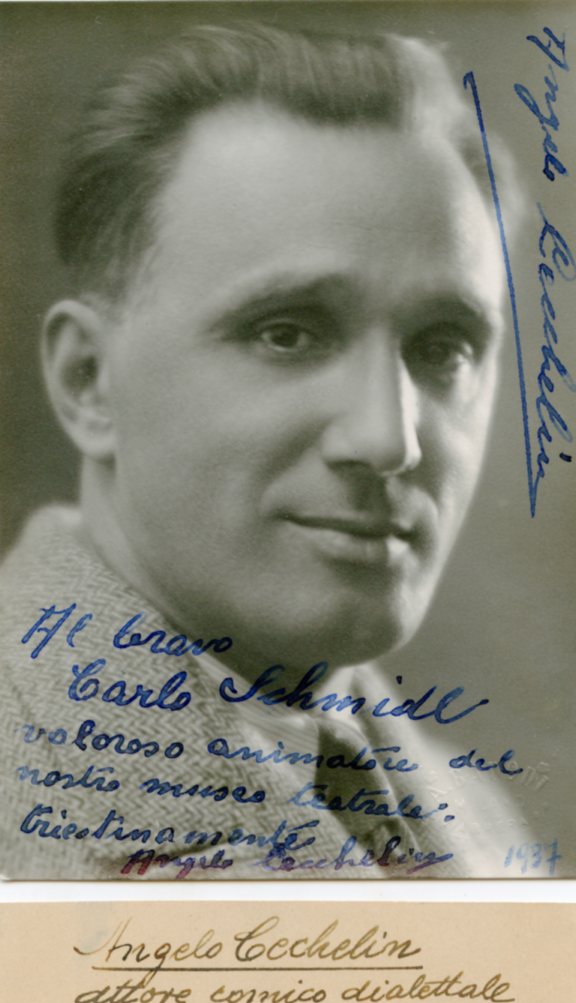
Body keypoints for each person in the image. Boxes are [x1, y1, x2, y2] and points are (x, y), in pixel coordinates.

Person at [0, 22, 530, 880]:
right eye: (288, 333)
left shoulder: (485, 820)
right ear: (88, 380)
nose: (388, 439)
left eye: (443, 347)